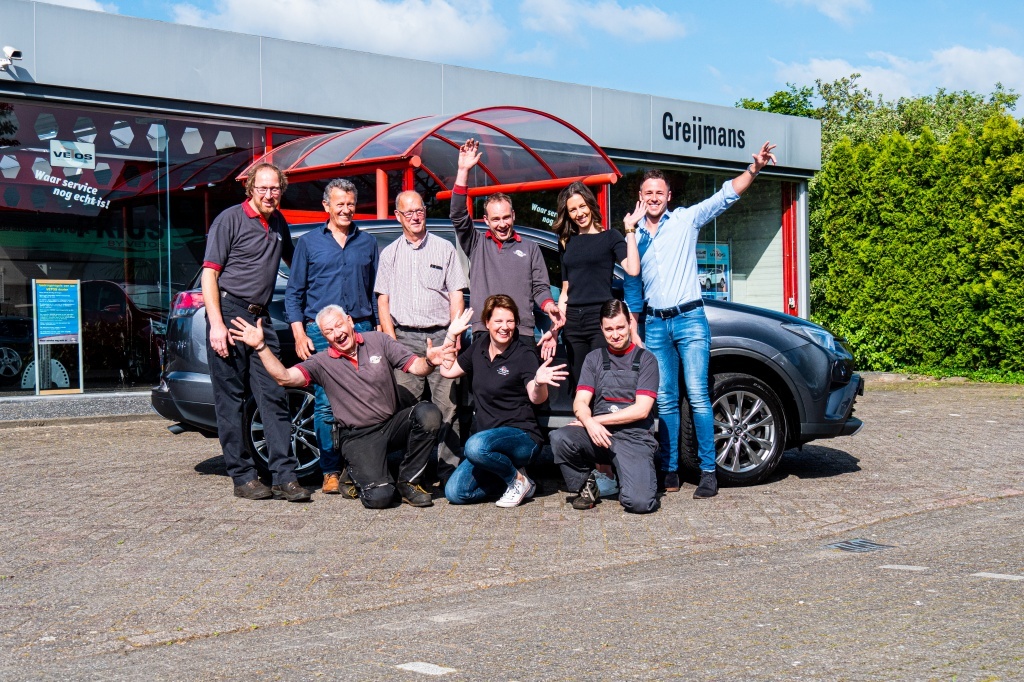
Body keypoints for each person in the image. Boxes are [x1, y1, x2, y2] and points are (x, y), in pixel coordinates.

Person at [624, 141, 778, 498]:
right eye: (648, 193)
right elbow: (632, 284)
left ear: (668, 196)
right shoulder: (635, 234)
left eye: (659, 193)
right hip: (656, 324)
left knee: (697, 395)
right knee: (665, 400)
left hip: (690, 319)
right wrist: (633, 325)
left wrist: (754, 169)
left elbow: (725, 196)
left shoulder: (685, 220)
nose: (653, 198)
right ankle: (670, 470)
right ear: (640, 197)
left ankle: (709, 471)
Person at [229, 304, 458, 509]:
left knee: (428, 413)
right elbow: (284, 378)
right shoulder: (321, 363)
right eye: (329, 331)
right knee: (380, 498)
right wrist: (261, 347)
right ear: (324, 336)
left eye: (339, 325)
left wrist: (430, 361)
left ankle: (409, 482)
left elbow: (416, 367)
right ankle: (352, 474)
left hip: (390, 424)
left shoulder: (379, 341)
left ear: (349, 321)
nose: (337, 334)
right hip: (358, 436)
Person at [200, 162, 310, 502]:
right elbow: (209, 274)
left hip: (261, 320)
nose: (269, 194)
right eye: (262, 188)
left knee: (274, 394)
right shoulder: (229, 220)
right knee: (231, 400)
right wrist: (217, 324)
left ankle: (284, 477)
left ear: (281, 190)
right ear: (251, 189)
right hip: (231, 315)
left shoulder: (278, 223)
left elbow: (298, 266)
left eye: (274, 188)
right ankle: (243, 477)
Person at [284, 178, 379, 498]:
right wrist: (299, 333)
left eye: (351, 203)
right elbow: (294, 293)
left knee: (365, 402)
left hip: (360, 328)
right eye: (340, 204)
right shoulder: (309, 243)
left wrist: (378, 329)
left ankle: (360, 467)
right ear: (326, 206)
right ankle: (330, 471)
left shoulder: (368, 243)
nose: (346, 209)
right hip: (321, 333)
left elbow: (376, 292)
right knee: (325, 404)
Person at [375, 190, 469, 483]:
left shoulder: (444, 248)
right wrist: (391, 342)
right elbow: (383, 301)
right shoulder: (389, 254)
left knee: (448, 407)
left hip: (442, 337)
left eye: (420, 211)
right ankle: (411, 472)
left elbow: (456, 295)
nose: (416, 217)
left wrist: (454, 335)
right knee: (407, 408)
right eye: (409, 212)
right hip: (404, 339)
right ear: (398, 216)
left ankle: (449, 472)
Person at [439, 295, 568, 507]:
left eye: (510, 321)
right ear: (487, 322)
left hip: (521, 437)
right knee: (456, 493)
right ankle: (520, 480)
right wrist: (451, 335)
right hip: (486, 445)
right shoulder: (478, 347)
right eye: (498, 321)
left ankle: (516, 481)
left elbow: (537, 398)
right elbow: (448, 370)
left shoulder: (523, 353)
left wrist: (539, 382)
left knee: (474, 446)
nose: (504, 327)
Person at [450, 138, 563, 357]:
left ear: (513, 215)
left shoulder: (530, 248)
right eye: (495, 219)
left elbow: (540, 288)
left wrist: (549, 305)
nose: (502, 224)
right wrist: (463, 171)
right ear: (486, 220)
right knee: (484, 381)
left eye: (505, 217)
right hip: (485, 330)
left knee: (526, 381)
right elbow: (457, 214)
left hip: (522, 332)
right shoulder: (477, 244)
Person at [549, 300, 660, 514]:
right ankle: (587, 486)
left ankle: (632, 475)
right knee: (560, 438)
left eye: (620, 327)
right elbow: (580, 401)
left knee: (639, 503)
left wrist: (594, 420)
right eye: (609, 329)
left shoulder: (647, 360)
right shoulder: (594, 359)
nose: (615, 334)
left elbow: (642, 410)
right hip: (599, 437)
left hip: (633, 438)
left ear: (630, 324)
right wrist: (587, 421)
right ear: (601, 328)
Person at [554, 181, 640, 384]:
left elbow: (633, 269)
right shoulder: (566, 242)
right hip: (573, 323)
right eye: (573, 210)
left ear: (591, 204)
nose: (579, 213)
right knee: (580, 382)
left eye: (582, 206)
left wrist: (630, 230)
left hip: (601, 319)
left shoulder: (610, 237)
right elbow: (566, 289)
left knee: (602, 381)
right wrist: (556, 326)